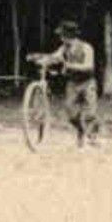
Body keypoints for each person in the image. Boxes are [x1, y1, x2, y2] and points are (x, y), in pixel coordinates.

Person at [38, 19, 99, 147]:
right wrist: (43, 60)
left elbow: (89, 66)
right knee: (70, 111)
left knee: (90, 113)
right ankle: (81, 130)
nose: (60, 38)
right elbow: (55, 57)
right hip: (73, 83)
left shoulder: (86, 48)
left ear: (67, 36)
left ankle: (93, 136)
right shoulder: (64, 48)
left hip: (88, 83)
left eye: (62, 35)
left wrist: (70, 65)